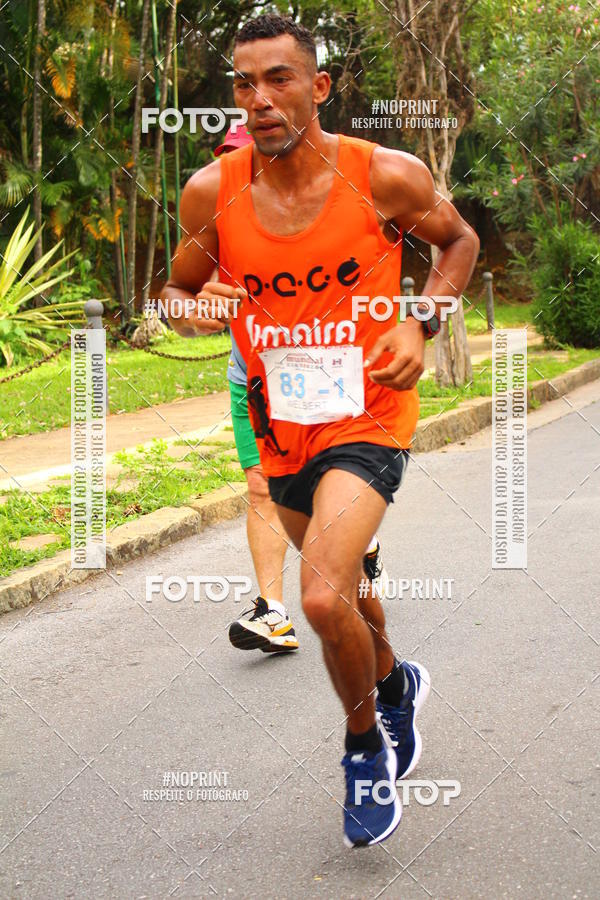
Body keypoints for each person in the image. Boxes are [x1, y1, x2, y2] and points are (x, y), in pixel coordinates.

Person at [162, 13, 479, 847]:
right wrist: (195, 312)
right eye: (244, 83)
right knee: (346, 594)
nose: (260, 98)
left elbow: (457, 241)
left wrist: (421, 321)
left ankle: (363, 747)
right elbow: (173, 292)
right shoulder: (212, 193)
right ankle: (396, 682)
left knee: (317, 593)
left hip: (369, 413)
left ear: (319, 86)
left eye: (279, 78)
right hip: (282, 426)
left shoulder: (385, 175)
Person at [195, 125, 388, 656]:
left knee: (331, 484)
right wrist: (197, 306)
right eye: (231, 162)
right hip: (254, 382)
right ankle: (273, 613)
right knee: (262, 488)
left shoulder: (321, 213)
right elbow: (187, 296)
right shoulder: (216, 221)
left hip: (329, 375)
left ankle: (360, 539)